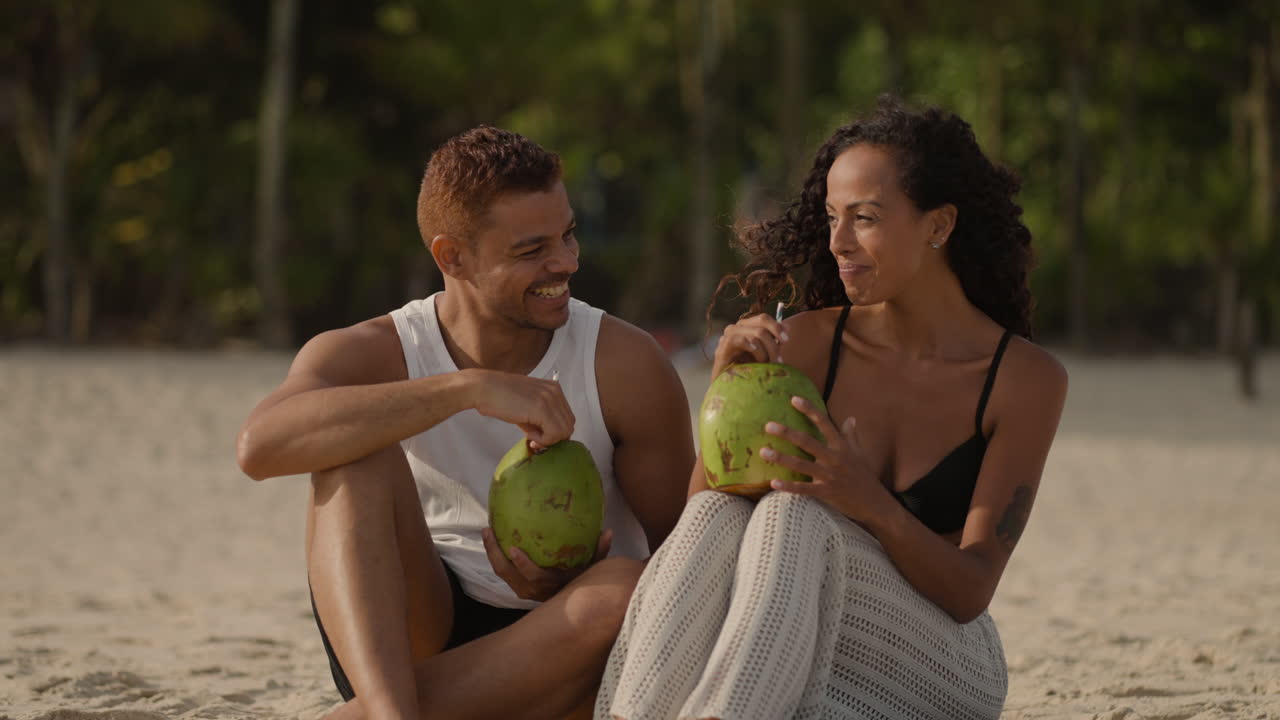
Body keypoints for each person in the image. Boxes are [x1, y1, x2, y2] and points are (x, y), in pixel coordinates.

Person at [595, 96, 1068, 720]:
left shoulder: (1023, 379)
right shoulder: (810, 344)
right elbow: (707, 524)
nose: (838, 241)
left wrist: (864, 500)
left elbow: (970, 591)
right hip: (799, 635)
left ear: (938, 225)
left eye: (865, 218)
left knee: (799, 515)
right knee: (718, 510)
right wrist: (726, 386)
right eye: (832, 217)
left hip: (946, 662)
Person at [235, 126, 695, 720]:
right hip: (414, 635)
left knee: (623, 590)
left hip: (570, 638)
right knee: (355, 451)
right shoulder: (377, 350)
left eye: (569, 235)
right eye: (531, 251)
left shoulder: (624, 363)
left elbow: (688, 560)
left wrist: (568, 580)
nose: (566, 263)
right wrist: (467, 389)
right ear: (453, 257)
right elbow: (260, 446)